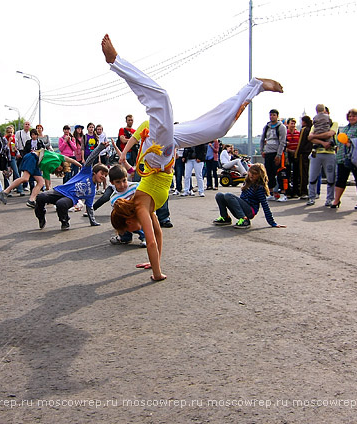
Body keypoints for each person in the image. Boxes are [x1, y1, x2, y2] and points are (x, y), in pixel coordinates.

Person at [103, 34, 282, 281]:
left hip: (158, 155)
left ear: (128, 218)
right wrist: (154, 262)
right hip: (168, 147)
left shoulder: (140, 207)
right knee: (216, 129)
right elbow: (157, 237)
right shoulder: (146, 207)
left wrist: (157, 274)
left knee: (161, 99)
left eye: (127, 228)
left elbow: (151, 242)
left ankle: (115, 62)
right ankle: (254, 86)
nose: (130, 232)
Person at [33, 143, 105, 230]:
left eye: (105, 175)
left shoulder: (92, 191)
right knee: (41, 196)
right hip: (60, 190)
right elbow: (91, 158)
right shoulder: (86, 172)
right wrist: (101, 147)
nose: (103, 176)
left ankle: (64, 221)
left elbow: (90, 208)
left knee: (61, 204)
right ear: (94, 172)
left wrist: (93, 222)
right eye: (102, 173)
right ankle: (41, 217)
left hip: (71, 198)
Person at [0, 144, 80, 207]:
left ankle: (31, 200)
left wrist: (81, 166)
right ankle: (5, 192)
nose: (58, 169)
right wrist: (82, 166)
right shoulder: (58, 160)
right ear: (62, 164)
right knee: (25, 178)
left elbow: (46, 179)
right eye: (60, 168)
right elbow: (71, 160)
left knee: (40, 182)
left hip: (36, 161)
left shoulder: (54, 162)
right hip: (32, 157)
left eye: (59, 171)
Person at [213, 164, 285, 229]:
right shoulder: (247, 182)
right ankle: (225, 217)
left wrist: (272, 223)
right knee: (219, 195)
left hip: (250, 211)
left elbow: (265, 206)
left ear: (259, 175)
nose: (251, 175)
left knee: (228, 195)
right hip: (242, 209)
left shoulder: (259, 188)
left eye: (255, 174)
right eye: (251, 173)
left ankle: (245, 220)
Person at [93, 164, 146, 247]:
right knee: (122, 221)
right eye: (118, 182)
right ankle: (125, 237)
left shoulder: (135, 186)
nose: (122, 185)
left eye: (124, 180)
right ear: (112, 183)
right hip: (126, 216)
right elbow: (118, 214)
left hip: (139, 213)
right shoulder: (114, 197)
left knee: (141, 220)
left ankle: (145, 237)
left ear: (126, 177)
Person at [332, 109, 357, 210]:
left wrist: (352, 142)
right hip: (343, 157)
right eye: (350, 116)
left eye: (353, 116)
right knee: (340, 179)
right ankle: (336, 200)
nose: (351, 118)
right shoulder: (346, 128)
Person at [306, 107, 339, 207]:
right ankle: (311, 197)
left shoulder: (334, 124)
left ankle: (329, 199)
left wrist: (316, 137)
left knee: (330, 178)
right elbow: (309, 138)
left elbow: (330, 133)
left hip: (330, 153)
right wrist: (323, 142)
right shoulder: (315, 125)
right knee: (312, 176)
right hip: (317, 152)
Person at [294, 115, 312, 199]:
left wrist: (296, 154)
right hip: (310, 153)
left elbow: (300, 143)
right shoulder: (311, 129)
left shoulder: (304, 129)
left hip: (303, 154)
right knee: (308, 173)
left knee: (302, 173)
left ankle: (303, 191)